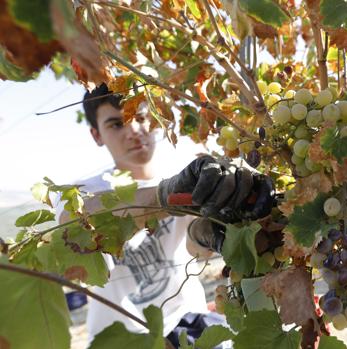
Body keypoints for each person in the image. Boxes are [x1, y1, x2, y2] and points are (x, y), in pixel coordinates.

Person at [57, 83, 274, 347]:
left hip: (186, 325)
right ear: (96, 135)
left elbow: (195, 246)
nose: (133, 130)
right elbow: (75, 226)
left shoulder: (182, 171)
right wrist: (164, 197)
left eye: (140, 117)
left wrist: (210, 233)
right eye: (116, 124)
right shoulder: (81, 193)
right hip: (119, 340)